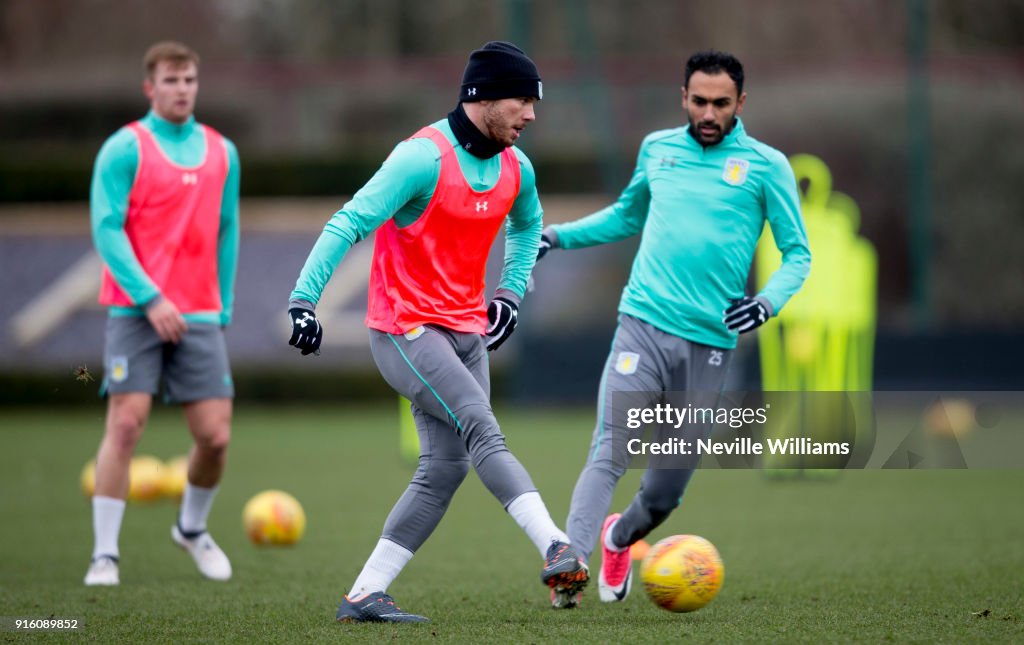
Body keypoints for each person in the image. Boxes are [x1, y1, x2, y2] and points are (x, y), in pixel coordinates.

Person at [287, 41, 588, 623]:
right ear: (482, 98)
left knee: (446, 468)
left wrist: (509, 294)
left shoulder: (516, 168)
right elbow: (348, 222)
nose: (531, 114)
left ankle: (365, 594)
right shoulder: (420, 158)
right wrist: (304, 300)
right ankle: (555, 544)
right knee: (483, 427)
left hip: (467, 331)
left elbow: (528, 231)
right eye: (522, 100)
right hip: (405, 328)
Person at [535, 50, 811, 608]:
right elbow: (627, 216)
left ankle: (618, 538)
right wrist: (558, 236)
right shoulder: (658, 149)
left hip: (710, 346)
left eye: (721, 103)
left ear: (741, 103)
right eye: (700, 101)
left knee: (664, 493)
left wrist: (766, 303)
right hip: (640, 323)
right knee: (609, 448)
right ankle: (569, 565)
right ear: (683, 97)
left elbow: (797, 255)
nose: (709, 113)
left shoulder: (765, 166)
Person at [84, 41, 240, 586]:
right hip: (135, 309)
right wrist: (150, 298)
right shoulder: (124, 149)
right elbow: (106, 229)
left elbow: (227, 229)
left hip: (199, 312)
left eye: (190, 80)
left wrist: (223, 302)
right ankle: (105, 554)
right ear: (150, 87)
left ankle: (191, 530)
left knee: (215, 437)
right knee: (125, 425)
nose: (182, 89)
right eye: (171, 81)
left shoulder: (223, 151)